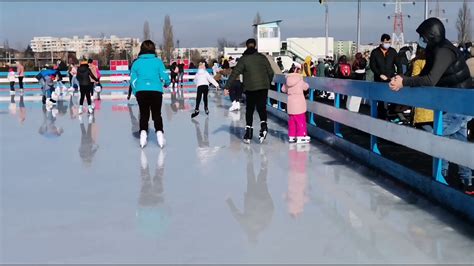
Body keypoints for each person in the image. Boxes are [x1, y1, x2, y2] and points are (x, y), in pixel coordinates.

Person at [389, 18, 472, 195]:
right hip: (456, 103)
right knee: (459, 143)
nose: (421, 40)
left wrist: (404, 82)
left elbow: (430, 80)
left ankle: (440, 179)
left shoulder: (443, 51)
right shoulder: (434, 50)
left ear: (432, 35)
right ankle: (468, 183)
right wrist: (403, 79)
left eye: (423, 36)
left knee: (439, 139)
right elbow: (425, 73)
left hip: (461, 103)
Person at [224, 38, 274, 144]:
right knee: (262, 107)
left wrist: (227, 87)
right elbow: (271, 72)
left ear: (247, 46)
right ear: (255, 46)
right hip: (263, 87)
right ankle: (264, 126)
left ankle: (248, 134)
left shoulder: (243, 59)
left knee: (250, 110)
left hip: (250, 88)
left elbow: (234, 74)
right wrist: (267, 83)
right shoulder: (262, 57)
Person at [130, 40, 171, 149]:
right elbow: (165, 76)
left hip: (141, 91)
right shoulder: (158, 62)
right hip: (156, 91)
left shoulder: (136, 63)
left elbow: (133, 80)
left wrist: (136, 92)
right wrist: (167, 83)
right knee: (157, 114)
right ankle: (160, 136)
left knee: (144, 114)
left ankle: (143, 135)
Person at [370, 33, 403, 119]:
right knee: (380, 100)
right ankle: (380, 117)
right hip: (379, 80)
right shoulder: (375, 52)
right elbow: (372, 66)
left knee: (392, 98)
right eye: (386, 42)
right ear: (381, 42)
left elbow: (399, 65)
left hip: (391, 79)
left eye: (389, 42)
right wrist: (379, 74)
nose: (387, 44)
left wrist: (399, 76)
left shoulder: (393, 51)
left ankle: (392, 114)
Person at [281, 67, 310, 144]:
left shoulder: (287, 79)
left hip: (291, 104)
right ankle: (301, 135)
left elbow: (283, 89)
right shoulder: (299, 79)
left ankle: (292, 136)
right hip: (299, 103)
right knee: (301, 120)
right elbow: (306, 87)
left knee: (292, 121)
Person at [410, 46, 433, 131]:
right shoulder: (437, 61)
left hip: (422, 104)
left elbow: (414, 79)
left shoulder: (418, 61)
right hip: (436, 103)